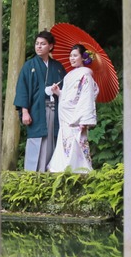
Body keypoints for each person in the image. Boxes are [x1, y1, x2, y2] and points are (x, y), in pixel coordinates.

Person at [14, 30, 67, 172]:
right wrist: (25, 112)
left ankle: (51, 172)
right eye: (37, 44)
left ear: (50, 46)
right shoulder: (28, 66)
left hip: (55, 110)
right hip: (37, 110)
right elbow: (22, 89)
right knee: (36, 141)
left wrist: (57, 90)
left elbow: (66, 90)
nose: (39, 46)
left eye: (43, 44)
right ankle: (32, 176)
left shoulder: (58, 67)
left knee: (53, 140)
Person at [46, 43, 99, 173]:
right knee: (64, 141)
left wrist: (84, 120)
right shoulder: (69, 75)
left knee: (77, 143)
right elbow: (69, 96)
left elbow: (86, 98)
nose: (72, 58)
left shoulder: (86, 75)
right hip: (65, 115)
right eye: (70, 56)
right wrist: (58, 92)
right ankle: (63, 169)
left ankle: (78, 170)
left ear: (83, 57)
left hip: (76, 116)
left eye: (75, 56)